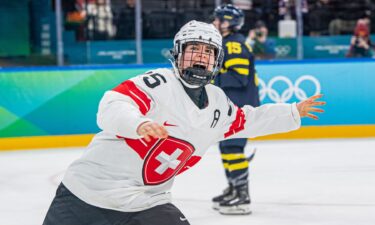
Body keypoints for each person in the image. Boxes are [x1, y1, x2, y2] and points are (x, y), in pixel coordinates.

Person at [42, 20, 325, 225]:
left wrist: (291, 112)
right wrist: (137, 124)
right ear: (178, 54)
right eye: (194, 49)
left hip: (147, 202)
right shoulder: (158, 83)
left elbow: (246, 120)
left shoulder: (217, 102)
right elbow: (112, 105)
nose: (201, 57)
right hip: (85, 194)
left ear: (217, 60)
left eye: (208, 52)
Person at [211, 4, 260, 215]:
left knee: (233, 148)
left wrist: (210, 79)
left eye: (219, 20)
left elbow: (239, 77)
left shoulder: (234, 45)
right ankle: (233, 189)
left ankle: (243, 196)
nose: (215, 23)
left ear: (230, 23)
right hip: (231, 106)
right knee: (226, 148)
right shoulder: (227, 43)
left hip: (239, 107)